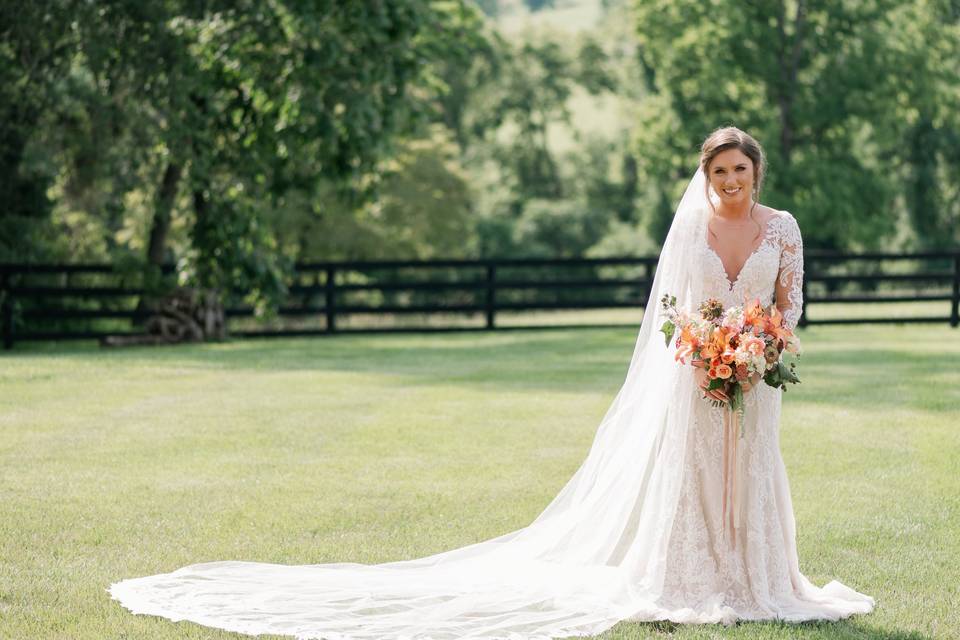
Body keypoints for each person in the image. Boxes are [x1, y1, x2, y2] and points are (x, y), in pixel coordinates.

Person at [109, 126, 875, 638]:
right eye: (720, 172)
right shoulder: (691, 229)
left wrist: (767, 342)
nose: (732, 181)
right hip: (699, 372)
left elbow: (791, 298)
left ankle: (765, 578)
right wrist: (707, 345)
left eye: (741, 170)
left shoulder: (783, 227)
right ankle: (697, 578)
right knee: (700, 472)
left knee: (756, 468)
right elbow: (671, 308)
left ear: (757, 173)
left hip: (759, 372)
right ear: (705, 176)